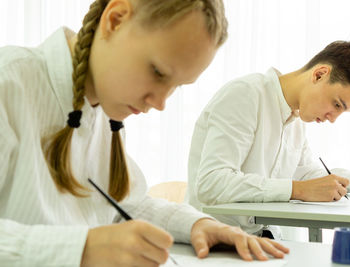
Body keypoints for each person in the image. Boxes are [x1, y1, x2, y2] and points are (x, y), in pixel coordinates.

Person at [0, 0, 289, 266]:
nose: (161, 103)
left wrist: (199, 224)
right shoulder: (9, 81)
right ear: (115, 20)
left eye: (177, 85)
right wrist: (82, 248)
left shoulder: (104, 111)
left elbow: (126, 203)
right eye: (158, 72)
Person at [186, 40, 350, 238]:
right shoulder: (246, 95)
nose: (333, 119)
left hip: (259, 241)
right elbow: (210, 182)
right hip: (213, 242)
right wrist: (297, 190)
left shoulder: (296, 120)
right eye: (337, 104)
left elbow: (308, 173)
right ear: (320, 74)